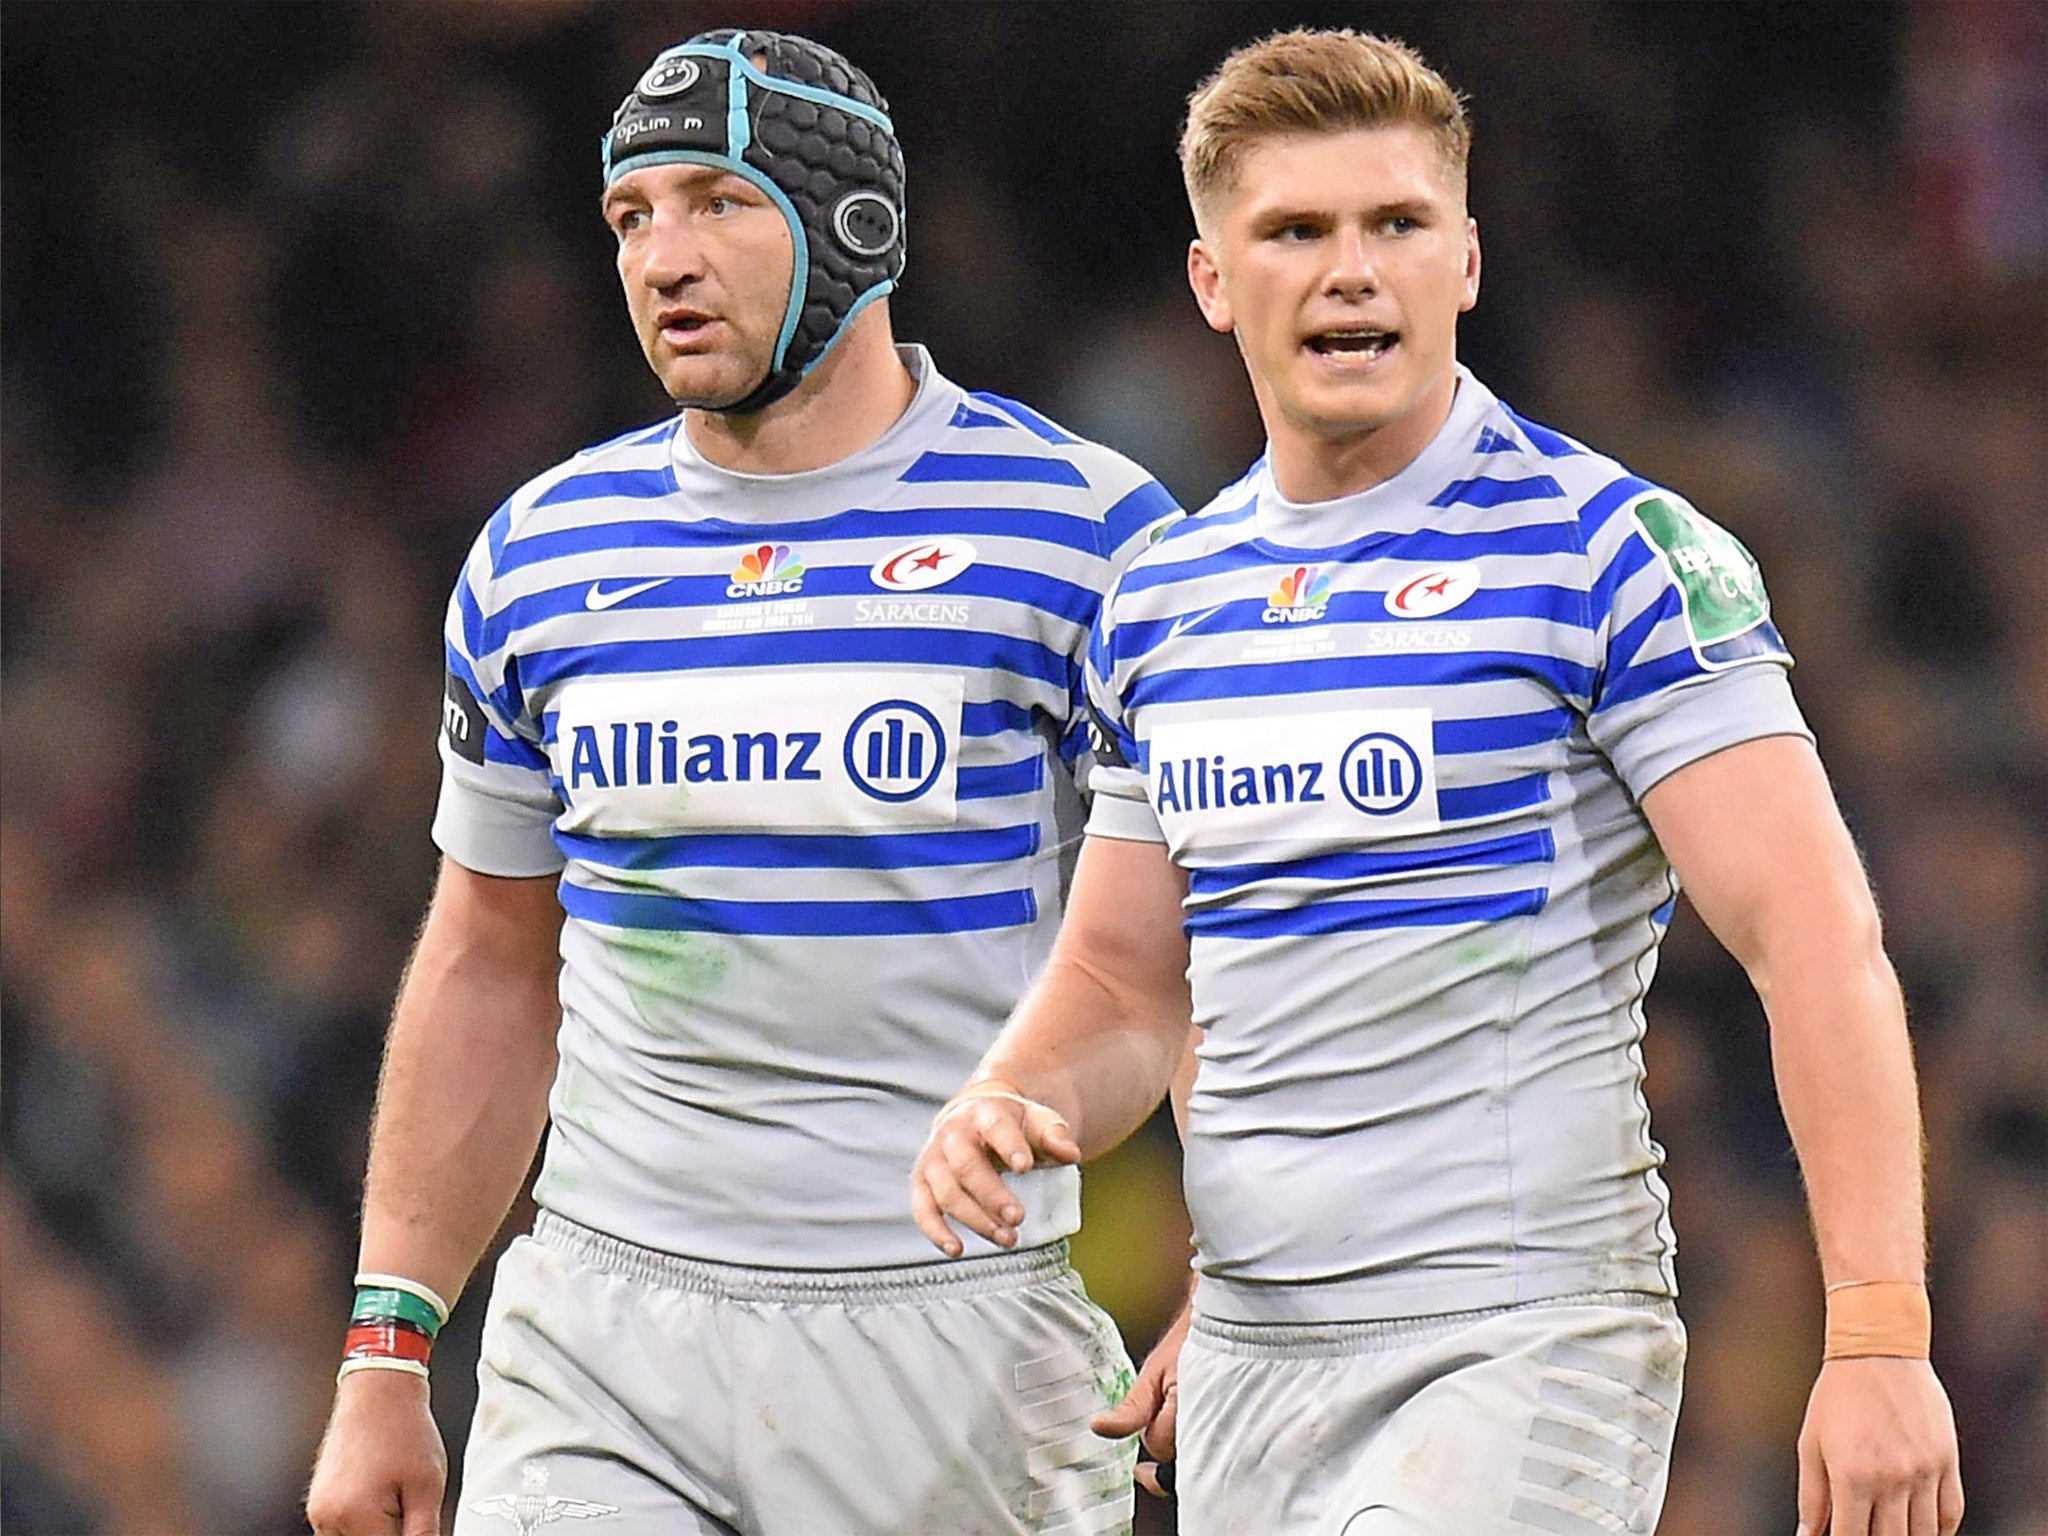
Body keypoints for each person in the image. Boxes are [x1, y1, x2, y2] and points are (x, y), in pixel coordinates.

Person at [914, 28, 1965, 1536]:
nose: (1353, 270)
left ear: (1464, 261)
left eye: (1395, 224)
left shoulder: (1614, 554)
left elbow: (1816, 941)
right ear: (1215, 282)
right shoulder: (1161, 605)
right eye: (1295, 231)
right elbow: (1129, 986)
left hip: (1519, 1333)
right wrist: (1015, 1099)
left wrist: (1878, 1337)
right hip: (1252, 1368)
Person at [305, 27, 1177, 1536]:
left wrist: (1244, 1287)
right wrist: (386, 1350)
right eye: (631, 217)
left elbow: (1210, 957)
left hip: (949, 1331)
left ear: (857, 222)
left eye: (716, 199)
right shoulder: (540, 554)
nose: (663, 257)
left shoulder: (1087, 534)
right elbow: (488, 961)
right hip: (601, 1326)